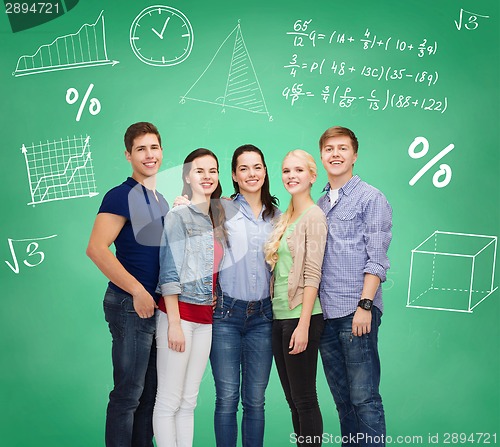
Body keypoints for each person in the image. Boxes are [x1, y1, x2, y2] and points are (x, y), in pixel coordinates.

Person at [86, 122, 169, 447]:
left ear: (161, 151)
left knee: (149, 397)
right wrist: (137, 290)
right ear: (128, 155)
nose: (149, 155)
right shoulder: (120, 195)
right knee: (128, 396)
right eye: (141, 149)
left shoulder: (159, 200)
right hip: (129, 305)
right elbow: (96, 248)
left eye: (154, 147)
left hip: (153, 307)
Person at [316, 126, 392, 447]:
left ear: (354, 155)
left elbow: (377, 258)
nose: (335, 154)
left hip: (356, 312)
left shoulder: (371, 198)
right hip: (326, 316)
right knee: (343, 400)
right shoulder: (319, 203)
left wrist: (365, 306)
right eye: (329, 149)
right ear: (322, 156)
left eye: (342, 148)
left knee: (364, 399)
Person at [153, 148, 227, 447]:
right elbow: (169, 272)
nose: (207, 176)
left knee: (189, 401)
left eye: (212, 170)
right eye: (199, 170)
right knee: (169, 399)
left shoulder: (217, 219)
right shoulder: (178, 215)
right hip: (179, 316)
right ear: (187, 176)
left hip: (205, 320)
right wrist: (173, 323)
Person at [210, 144, 280, 447]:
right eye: (244, 168)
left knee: (255, 400)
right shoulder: (221, 209)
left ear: (265, 171)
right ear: (235, 176)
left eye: (257, 167)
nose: (252, 174)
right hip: (225, 315)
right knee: (226, 399)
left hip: (264, 317)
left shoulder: (278, 216)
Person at [264, 149, 327, 447]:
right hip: (279, 318)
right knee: (292, 400)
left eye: (299, 170)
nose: (292, 176)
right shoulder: (287, 216)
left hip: (301, 317)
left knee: (304, 399)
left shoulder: (314, 216)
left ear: (313, 176)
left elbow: (313, 274)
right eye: (287, 171)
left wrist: (303, 325)